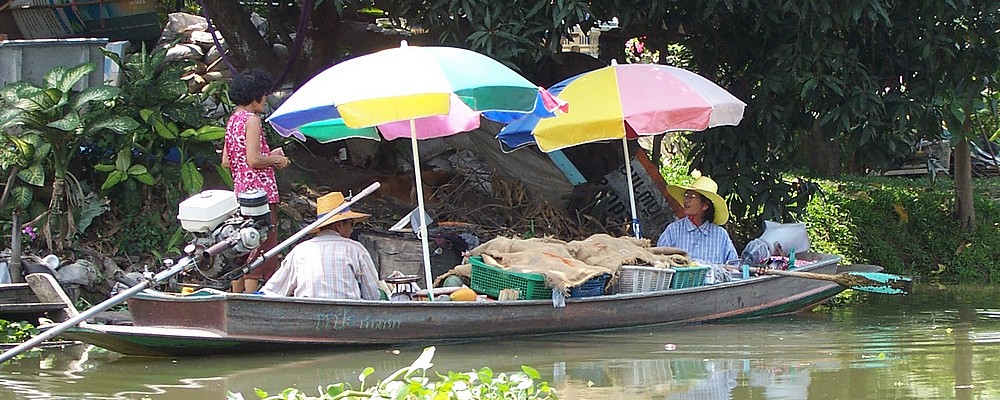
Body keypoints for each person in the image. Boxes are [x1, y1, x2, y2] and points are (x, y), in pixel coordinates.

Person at [221, 69, 291, 293]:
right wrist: (276, 160)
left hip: (241, 190)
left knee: (242, 242)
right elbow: (253, 159)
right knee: (262, 244)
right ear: (255, 96)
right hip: (260, 192)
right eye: (264, 94)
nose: (266, 99)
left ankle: (236, 294)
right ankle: (251, 297)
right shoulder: (252, 120)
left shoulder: (233, 120)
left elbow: (227, 160)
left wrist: (269, 154)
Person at [260, 192, 382, 300]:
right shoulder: (356, 249)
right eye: (351, 224)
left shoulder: (300, 251)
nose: (351, 230)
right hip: (348, 318)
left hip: (307, 317)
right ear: (339, 225)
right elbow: (372, 296)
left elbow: (273, 292)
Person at [656, 170, 738, 265]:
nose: (686, 200)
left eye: (692, 196)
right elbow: (658, 261)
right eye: (686, 195)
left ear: (705, 206)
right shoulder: (673, 230)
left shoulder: (721, 236)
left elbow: (733, 267)